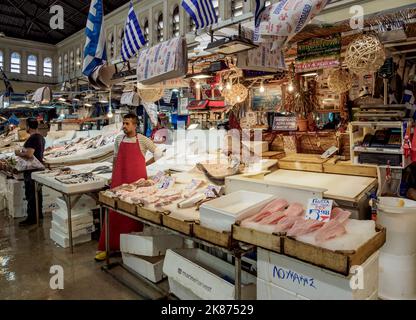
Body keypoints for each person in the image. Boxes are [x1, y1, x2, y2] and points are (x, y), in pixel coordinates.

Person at [95, 113, 162, 261]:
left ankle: (131, 247)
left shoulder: (143, 140)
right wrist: (113, 177)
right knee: (114, 213)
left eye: (127, 124)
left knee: (134, 216)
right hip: (120, 180)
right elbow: (115, 159)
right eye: (123, 123)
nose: (124, 126)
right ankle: (108, 247)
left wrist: (145, 164)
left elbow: (158, 154)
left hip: (138, 183)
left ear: (135, 125)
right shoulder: (119, 139)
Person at [15, 118, 45, 226]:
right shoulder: (41, 137)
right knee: (37, 194)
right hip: (39, 170)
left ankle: (32, 218)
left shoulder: (33, 138)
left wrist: (18, 153)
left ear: (28, 126)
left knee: (31, 194)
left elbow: (30, 154)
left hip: (32, 171)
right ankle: (39, 214)